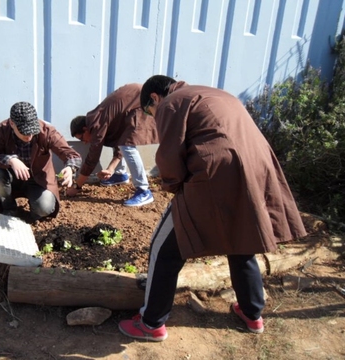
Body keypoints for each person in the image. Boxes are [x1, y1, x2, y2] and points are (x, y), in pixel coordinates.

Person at [118, 75, 308, 341]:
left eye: (151, 112)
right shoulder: (214, 93)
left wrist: (173, 187)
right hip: (256, 168)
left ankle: (151, 323)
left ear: (154, 98)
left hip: (215, 174)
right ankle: (252, 315)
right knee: (241, 241)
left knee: (165, 248)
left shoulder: (171, 103)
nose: (153, 117)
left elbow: (170, 157)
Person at [0, 101, 82, 220]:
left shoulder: (47, 131)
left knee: (44, 207)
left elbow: (72, 155)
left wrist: (70, 168)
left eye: (32, 130)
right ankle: (9, 208)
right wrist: (11, 160)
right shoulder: (2, 130)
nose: (29, 135)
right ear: (12, 123)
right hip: (11, 178)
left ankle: (34, 213)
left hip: (38, 180)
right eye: (24, 131)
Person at [66, 83, 159, 207]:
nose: (84, 142)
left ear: (85, 128)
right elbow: (119, 138)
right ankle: (120, 175)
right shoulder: (99, 119)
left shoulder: (96, 124)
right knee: (124, 142)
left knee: (128, 146)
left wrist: (77, 186)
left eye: (82, 138)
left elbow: (92, 159)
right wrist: (110, 168)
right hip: (135, 103)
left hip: (143, 103)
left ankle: (144, 191)